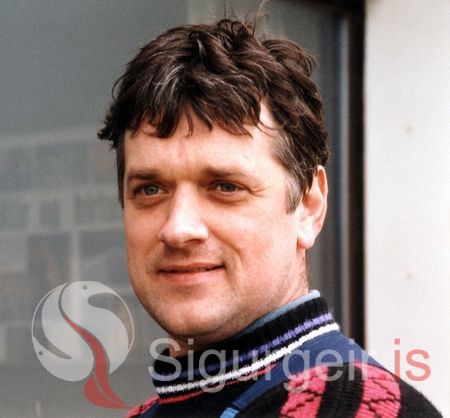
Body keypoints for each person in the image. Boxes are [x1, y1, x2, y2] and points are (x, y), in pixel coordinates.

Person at [97, 18, 441, 418]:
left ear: (309, 207)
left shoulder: (343, 405)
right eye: (150, 189)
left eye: (225, 186)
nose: (178, 228)